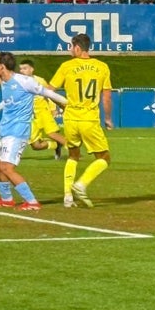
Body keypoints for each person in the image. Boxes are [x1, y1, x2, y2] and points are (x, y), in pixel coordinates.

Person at [0, 52, 68, 211]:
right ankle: (7, 199)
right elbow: (8, 101)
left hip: (18, 131)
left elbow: (48, 93)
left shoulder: (25, 81)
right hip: (5, 130)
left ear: (2, 66)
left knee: (6, 167)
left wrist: (66, 104)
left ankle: (32, 202)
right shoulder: (5, 83)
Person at [50, 33, 113, 208]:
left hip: (70, 119)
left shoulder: (66, 66)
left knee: (73, 155)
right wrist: (108, 119)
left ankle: (67, 197)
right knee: (104, 157)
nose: (70, 50)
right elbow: (107, 97)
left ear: (77, 48)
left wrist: (61, 105)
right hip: (89, 120)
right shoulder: (102, 67)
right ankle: (81, 184)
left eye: (71, 47)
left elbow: (49, 90)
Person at [18, 59, 66, 160]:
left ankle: (75, 154)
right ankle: (57, 145)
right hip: (31, 116)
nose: (22, 71)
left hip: (43, 111)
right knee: (36, 146)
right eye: (21, 69)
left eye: (25, 68)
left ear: (32, 69)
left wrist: (53, 108)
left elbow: (49, 94)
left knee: (52, 134)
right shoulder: (18, 83)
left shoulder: (40, 81)